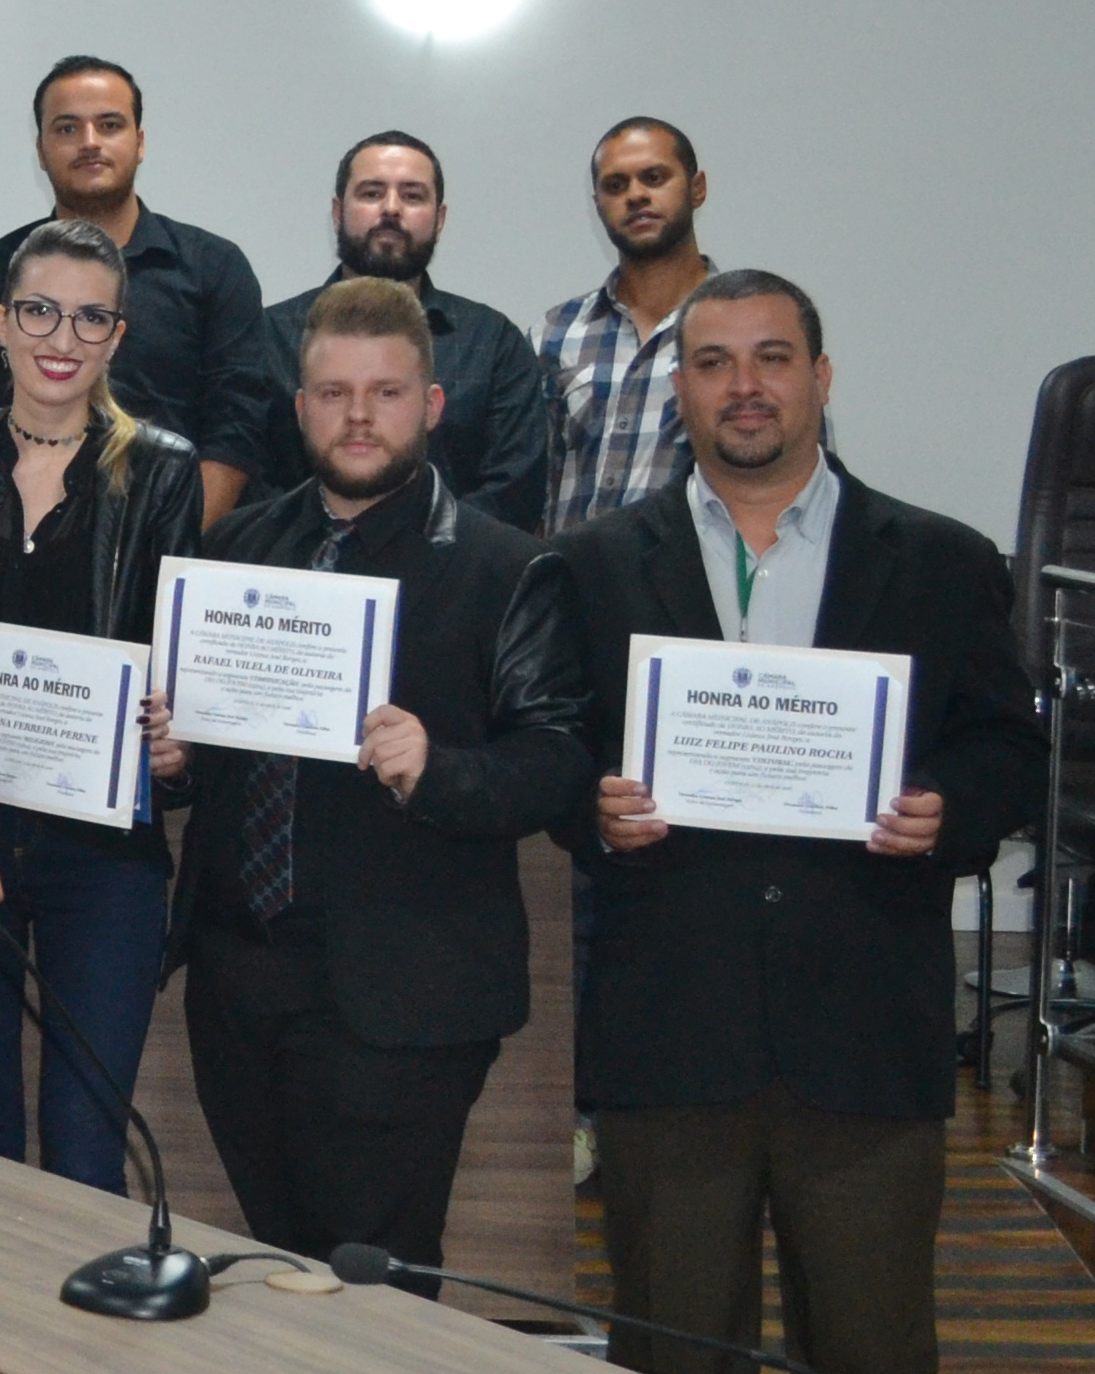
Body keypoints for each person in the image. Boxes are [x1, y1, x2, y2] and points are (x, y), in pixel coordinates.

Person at [565, 270, 1043, 1374]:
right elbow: (561, 753)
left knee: (875, 1348)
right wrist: (592, 805)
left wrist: (949, 809)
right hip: (672, 1037)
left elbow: (1007, 749)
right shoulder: (592, 566)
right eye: (715, 362)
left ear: (821, 379)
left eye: (773, 359)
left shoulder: (940, 559)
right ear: (678, 389)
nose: (746, 387)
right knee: (675, 1350)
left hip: (867, 1037)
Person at [168, 277, 591, 1281]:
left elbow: (557, 764)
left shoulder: (508, 569)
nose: (358, 416)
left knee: (376, 1280)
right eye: (332, 392)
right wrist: (177, 756)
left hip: (403, 991)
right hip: (239, 979)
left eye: (387, 392)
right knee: (280, 1267)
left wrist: (435, 770)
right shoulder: (235, 551)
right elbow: (213, 750)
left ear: (432, 408)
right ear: (298, 405)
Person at [0, 218, 198, 1193]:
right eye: (40, 312)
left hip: (102, 855)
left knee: (84, 1141)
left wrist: (172, 736)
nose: (61, 339)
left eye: (89, 318)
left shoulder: (162, 470)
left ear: (118, 333)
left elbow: (172, 658)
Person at [0, 58, 278, 523]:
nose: (89, 142)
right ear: (40, 150)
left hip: (179, 545)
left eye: (109, 125)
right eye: (67, 128)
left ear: (139, 143)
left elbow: (236, 429)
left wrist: (167, 549)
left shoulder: (214, 269)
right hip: (22, 547)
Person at [253, 133, 552, 529]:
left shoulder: (493, 342)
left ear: (440, 219)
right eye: (372, 193)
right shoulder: (269, 335)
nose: (391, 209)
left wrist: (420, 556)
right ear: (338, 212)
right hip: (302, 578)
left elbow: (515, 485)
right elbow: (249, 476)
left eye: (412, 196)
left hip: (452, 580)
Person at [537, 116, 713, 534]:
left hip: (699, 592)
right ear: (597, 204)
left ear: (697, 188)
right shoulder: (555, 334)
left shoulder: (748, 331)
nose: (636, 195)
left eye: (654, 177)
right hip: (570, 588)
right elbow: (528, 488)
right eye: (616, 186)